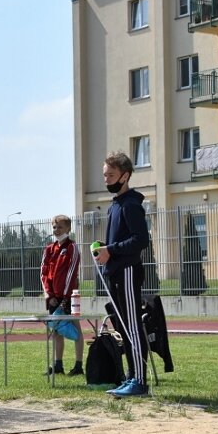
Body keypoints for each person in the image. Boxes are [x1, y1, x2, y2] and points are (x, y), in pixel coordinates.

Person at [94, 151, 150, 397]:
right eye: (105, 176)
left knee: (133, 327)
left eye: (112, 175)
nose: (107, 180)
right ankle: (130, 376)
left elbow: (140, 240)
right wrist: (104, 248)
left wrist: (111, 250)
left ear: (125, 176)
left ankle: (139, 380)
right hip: (115, 272)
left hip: (127, 272)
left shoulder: (131, 205)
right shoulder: (115, 205)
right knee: (124, 327)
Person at [41, 215, 85, 376]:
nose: (56, 230)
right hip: (53, 297)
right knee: (56, 330)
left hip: (70, 296)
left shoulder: (72, 247)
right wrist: (49, 294)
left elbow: (71, 273)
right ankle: (58, 365)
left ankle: (79, 365)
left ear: (68, 228)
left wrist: (66, 297)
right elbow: (44, 273)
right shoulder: (49, 249)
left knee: (75, 328)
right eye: (54, 227)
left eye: (60, 227)